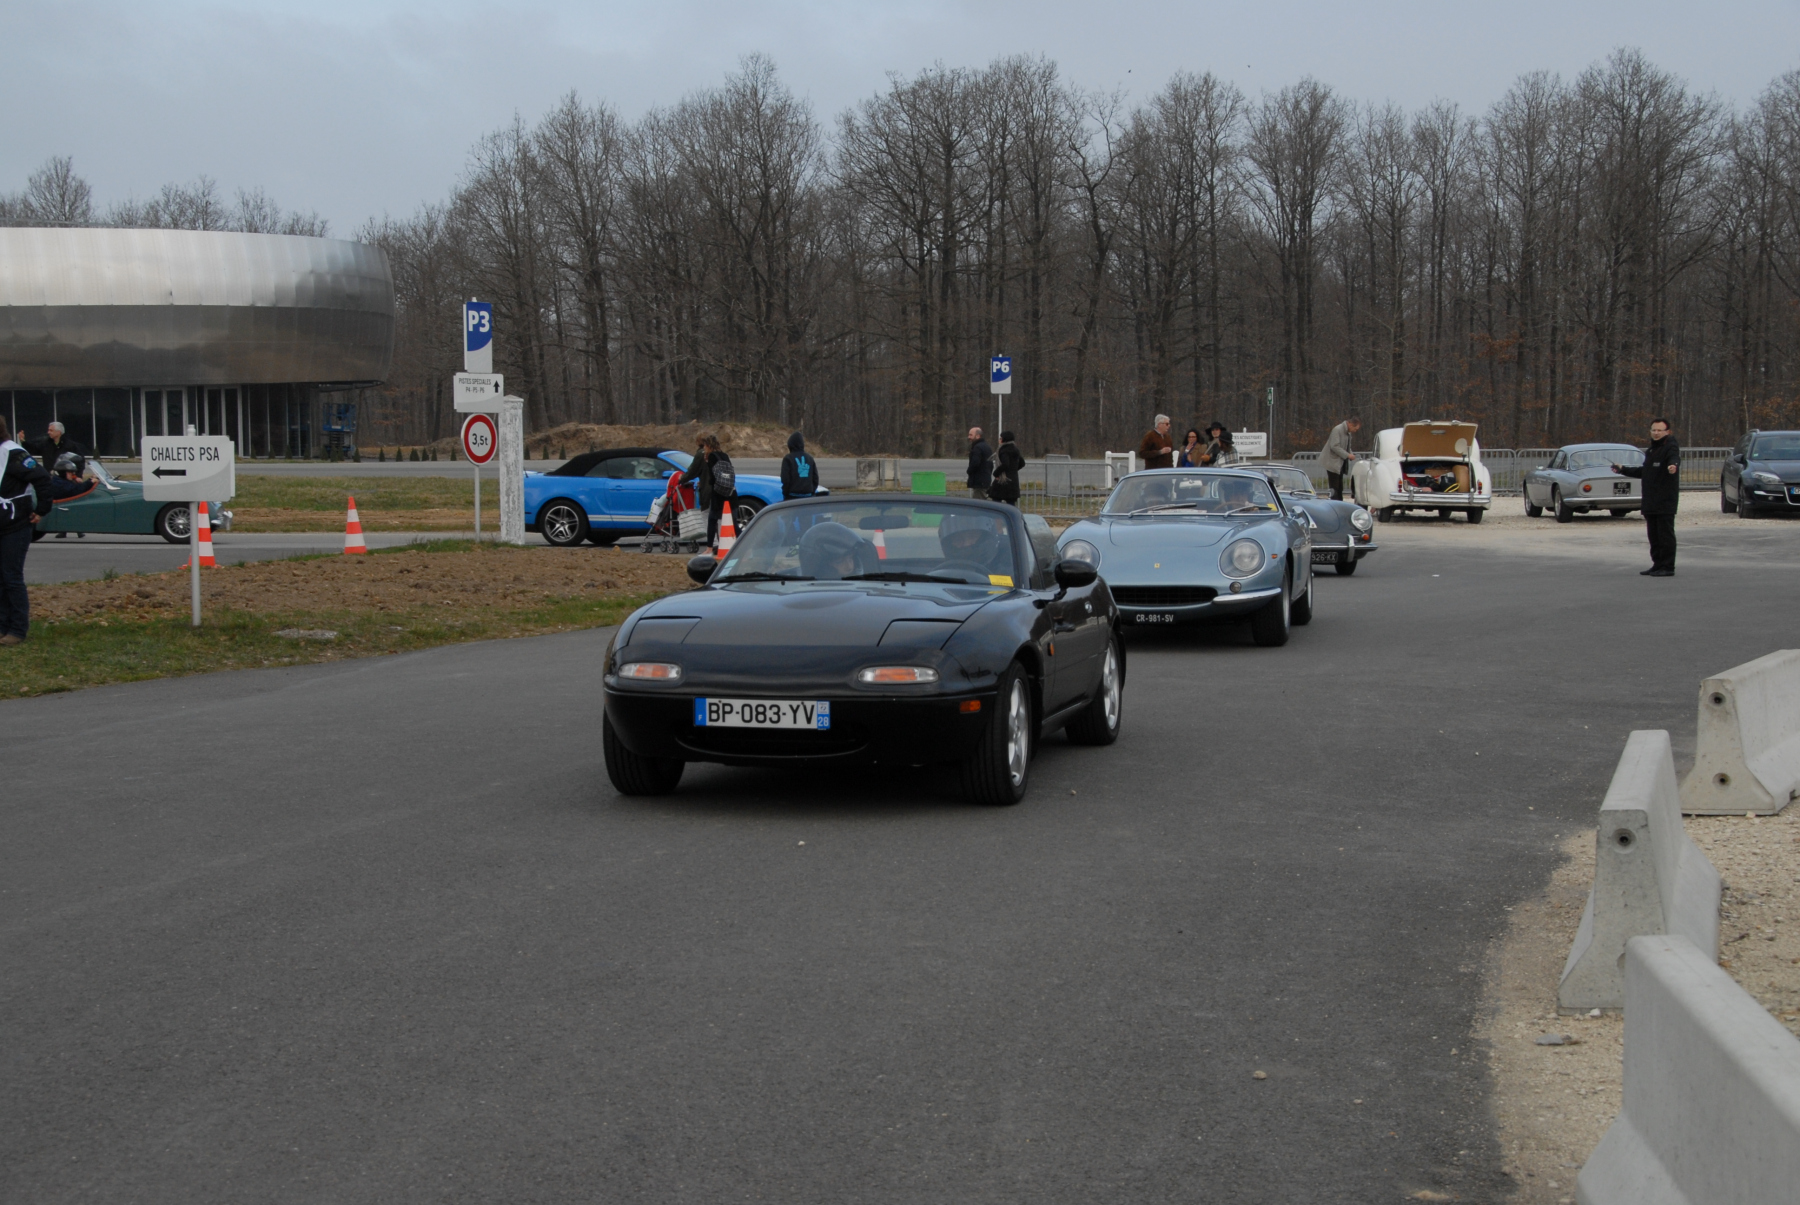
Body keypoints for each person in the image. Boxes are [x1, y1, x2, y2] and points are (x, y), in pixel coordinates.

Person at [0, 417, 55, 647]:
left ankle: (17, 629)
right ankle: (2, 627)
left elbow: (42, 479)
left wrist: (42, 509)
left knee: (11, 577)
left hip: (15, 525)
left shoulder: (14, 454)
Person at [1614, 418, 1681, 576]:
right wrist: (1623, 469)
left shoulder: (1670, 446)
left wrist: (1673, 466)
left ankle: (1668, 566)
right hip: (1650, 500)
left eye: (1660, 430)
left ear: (1667, 432)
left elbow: (1674, 458)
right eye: (1654, 430)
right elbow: (1644, 472)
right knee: (1654, 535)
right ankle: (1657, 564)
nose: (1656, 433)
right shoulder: (1651, 451)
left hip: (1665, 500)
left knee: (1665, 535)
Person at [680, 432, 735, 548]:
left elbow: (692, 471)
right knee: (720, 516)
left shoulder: (704, 455)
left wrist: (681, 479)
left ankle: (714, 544)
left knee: (706, 515)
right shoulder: (722, 454)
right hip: (723, 489)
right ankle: (724, 542)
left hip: (709, 490)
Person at [797, 521, 865, 580]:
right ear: (823, 566)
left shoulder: (863, 580)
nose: (849, 566)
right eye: (839, 562)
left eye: (850, 559)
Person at [1319, 416, 1361, 501]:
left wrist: (1351, 454)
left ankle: (1339, 503)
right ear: (1350, 424)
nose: (1355, 431)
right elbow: (1334, 446)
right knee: (1334, 488)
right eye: (1355, 428)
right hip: (1332, 462)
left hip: (1340, 463)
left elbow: (1347, 447)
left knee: (1340, 487)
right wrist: (1347, 455)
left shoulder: (1348, 433)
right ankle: (1335, 504)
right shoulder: (1337, 430)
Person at [987, 431, 1025, 506]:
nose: (999, 440)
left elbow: (1005, 464)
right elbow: (1022, 463)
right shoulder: (1015, 449)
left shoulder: (1004, 450)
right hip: (1013, 480)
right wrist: (1013, 470)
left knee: (996, 500)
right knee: (1011, 503)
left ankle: (997, 516)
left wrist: (996, 473)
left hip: (1003, 480)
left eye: (1000, 438)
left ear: (1004, 439)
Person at [779, 432, 820, 500]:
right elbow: (815, 478)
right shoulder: (809, 458)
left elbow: (785, 479)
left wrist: (786, 493)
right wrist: (812, 491)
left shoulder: (788, 459)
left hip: (792, 496)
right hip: (808, 496)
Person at [966, 427, 994, 494]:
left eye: (971, 435)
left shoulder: (977, 448)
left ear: (978, 436)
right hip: (985, 479)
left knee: (978, 502)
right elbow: (991, 464)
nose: (968, 437)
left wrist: (969, 471)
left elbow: (975, 463)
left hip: (979, 481)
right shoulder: (987, 447)